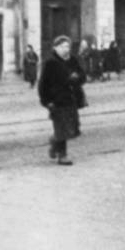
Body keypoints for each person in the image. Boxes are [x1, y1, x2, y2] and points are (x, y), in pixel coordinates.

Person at [37, 36, 86, 166]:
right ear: (55, 48)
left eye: (68, 47)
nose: (66, 49)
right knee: (62, 129)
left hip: (71, 99)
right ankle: (62, 156)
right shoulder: (50, 63)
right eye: (63, 47)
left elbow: (83, 76)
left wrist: (77, 77)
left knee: (73, 128)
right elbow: (43, 84)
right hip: (57, 100)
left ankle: (54, 142)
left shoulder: (72, 60)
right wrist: (46, 101)